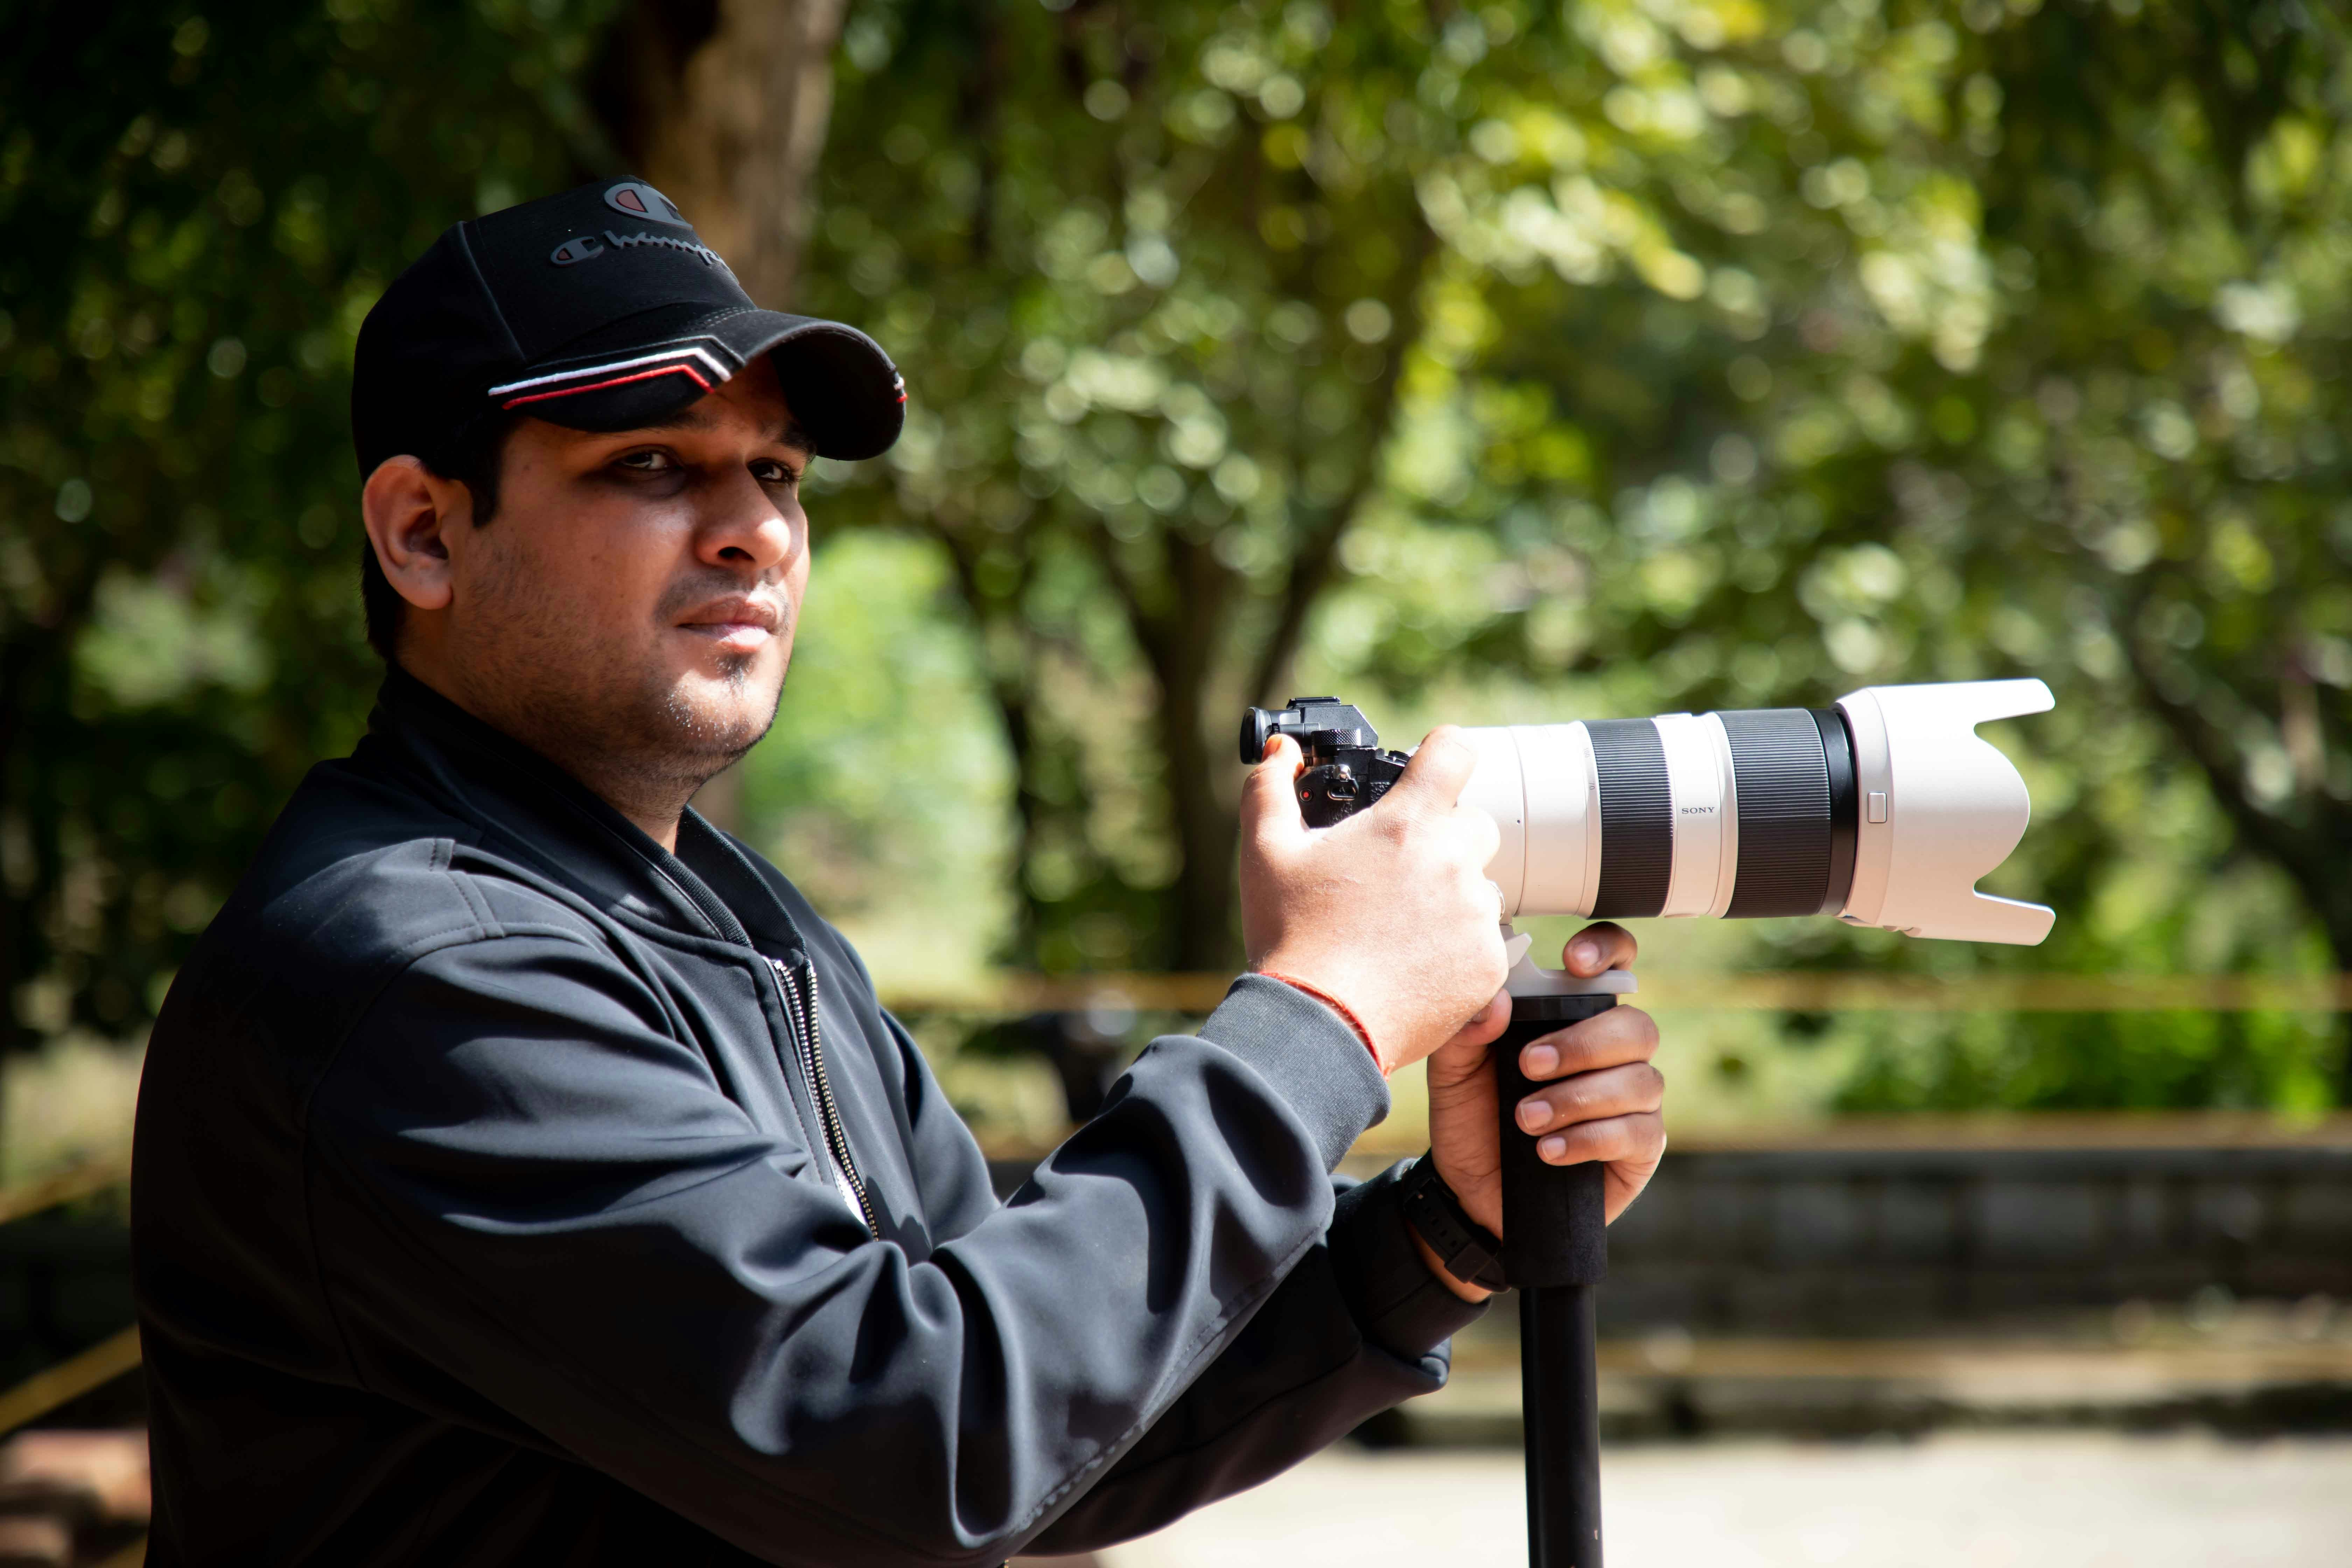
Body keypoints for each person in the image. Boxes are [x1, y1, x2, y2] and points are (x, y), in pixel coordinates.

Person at [130, 179, 1667, 1566]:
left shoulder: (735, 918)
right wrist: (1321, 1016)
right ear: (422, 532)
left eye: (780, 472)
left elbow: (1047, 1423)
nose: (753, 530)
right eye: (652, 462)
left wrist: (1437, 1237)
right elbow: (915, 1433)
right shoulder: (415, 969)